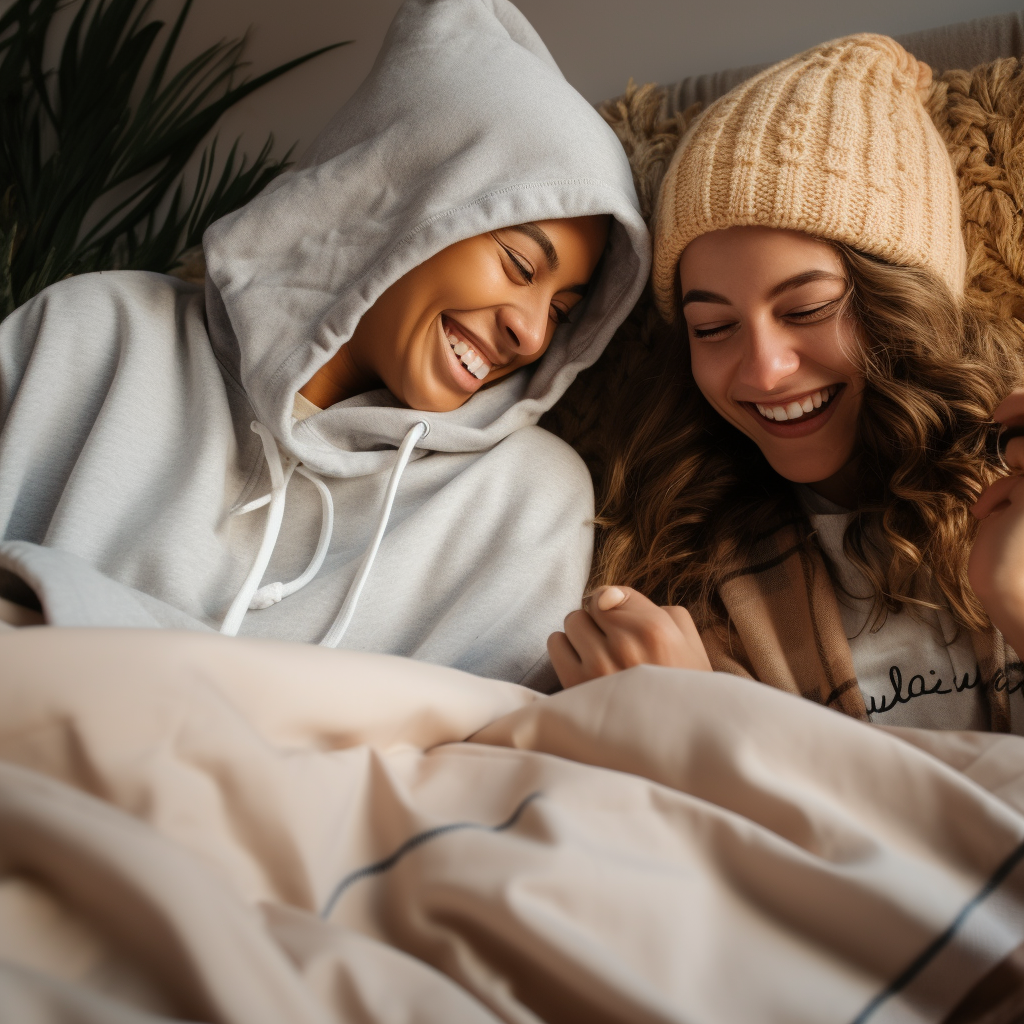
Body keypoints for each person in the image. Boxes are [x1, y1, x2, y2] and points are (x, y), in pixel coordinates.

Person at [0, 0, 649, 688]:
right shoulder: (92, 332)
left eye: (564, 311)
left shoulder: (525, 501)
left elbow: (479, 758)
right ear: (401, 200)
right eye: (519, 266)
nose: (532, 331)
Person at [548, 33, 1024, 729]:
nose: (764, 370)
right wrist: (700, 722)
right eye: (712, 328)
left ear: (908, 308)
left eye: (807, 309)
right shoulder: (684, 582)